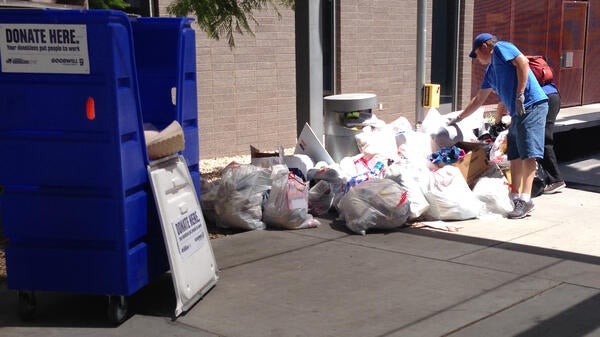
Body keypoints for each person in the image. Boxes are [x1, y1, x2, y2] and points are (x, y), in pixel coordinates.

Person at [452, 33, 548, 219]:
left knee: (528, 153)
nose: (477, 59)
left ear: (484, 47)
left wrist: (520, 94)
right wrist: (460, 117)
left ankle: (525, 200)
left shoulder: (501, 48)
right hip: (518, 112)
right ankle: (514, 196)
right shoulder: (490, 72)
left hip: (532, 105)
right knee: (514, 153)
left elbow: (523, 63)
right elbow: (479, 99)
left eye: (476, 54)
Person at [539, 82, 566, 193]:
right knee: (543, 138)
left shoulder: (503, 67)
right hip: (553, 95)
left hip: (544, 99)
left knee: (543, 139)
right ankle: (549, 178)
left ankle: (556, 180)